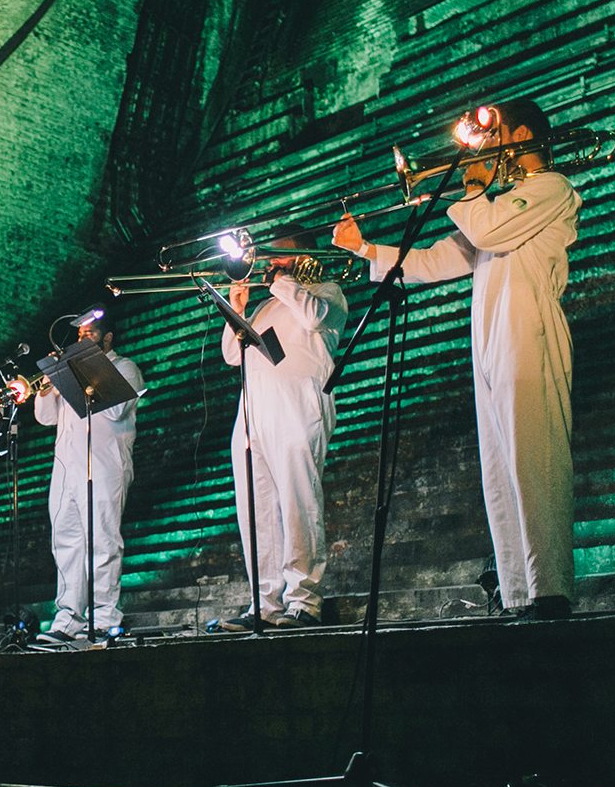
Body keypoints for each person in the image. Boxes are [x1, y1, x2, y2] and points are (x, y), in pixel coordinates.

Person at [332, 98, 582, 619]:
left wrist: (472, 186)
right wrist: (363, 249)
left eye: (495, 136)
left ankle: (551, 590)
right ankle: (519, 593)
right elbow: (435, 260)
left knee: (535, 463)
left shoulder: (550, 188)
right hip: (490, 338)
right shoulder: (498, 204)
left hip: (529, 330)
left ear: (524, 135)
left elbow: (487, 230)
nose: (486, 147)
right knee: (498, 470)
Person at [216, 236, 350, 630]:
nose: (269, 261)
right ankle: (264, 602)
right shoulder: (265, 304)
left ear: (303, 257)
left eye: (279, 253)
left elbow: (313, 318)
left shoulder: (327, 293)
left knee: (298, 502)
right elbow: (231, 353)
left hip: (298, 405)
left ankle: (304, 600)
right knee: (255, 510)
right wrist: (235, 310)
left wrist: (282, 281)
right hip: (254, 409)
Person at [34, 310, 144, 645]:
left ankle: (104, 614)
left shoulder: (125, 367)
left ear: (107, 338)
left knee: (102, 540)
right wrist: (47, 388)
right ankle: (68, 615)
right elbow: (45, 417)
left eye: (90, 333)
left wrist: (82, 370)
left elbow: (115, 410)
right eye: (80, 334)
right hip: (66, 467)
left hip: (105, 465)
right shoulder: (71, 371)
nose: (83, 338)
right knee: (66, 543)